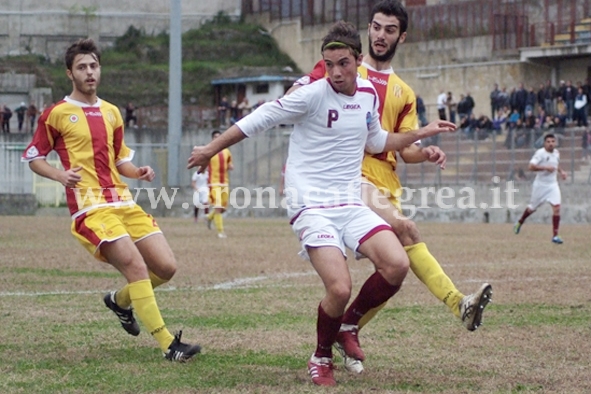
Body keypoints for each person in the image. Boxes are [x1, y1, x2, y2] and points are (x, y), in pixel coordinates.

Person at [187, 21, 456, 386]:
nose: (335, 72)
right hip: (310, 204)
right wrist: (209, 149)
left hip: (348, 200)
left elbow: (377, 141)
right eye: (328, 64)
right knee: (339, 287)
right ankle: (321, 356)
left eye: (343, 63)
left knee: (396, 264)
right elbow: (260, 118)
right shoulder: (312, 94)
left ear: (358, 61)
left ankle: (348, 324)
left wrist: (421, 134)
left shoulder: (367, 95)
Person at [287, 0, 492, 375]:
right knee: (406, 230)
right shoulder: (344, 66)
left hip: (385, 184)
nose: (381, 35)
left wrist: (424, 151)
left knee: (393, 265)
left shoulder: (403, 92)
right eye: (376, 28)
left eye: (390, 30)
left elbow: (403, 147)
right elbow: (303, 93)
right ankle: (457, 303)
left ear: (402, 36)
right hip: (351, 180)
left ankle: (345, 328)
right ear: (368, 31)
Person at [21, 38, 200, 362]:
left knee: (166, 267)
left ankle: (119, 301)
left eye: (93, 65)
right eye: (82, 67)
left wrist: (138, 171)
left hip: (123, 203)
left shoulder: (112, 112)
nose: (89, 72)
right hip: (90, 208)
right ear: (69, 74)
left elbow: (119, 160)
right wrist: (60, 175)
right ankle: (169, 345)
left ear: (99, 69)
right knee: (134, 265)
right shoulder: (56, 114)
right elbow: (34, 156)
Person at [513, 133, 567, 244]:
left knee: (556, 208)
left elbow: (556, 164)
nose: (551, 144)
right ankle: (520, 222)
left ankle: (555, 235)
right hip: (540, 185)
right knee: (532, 208)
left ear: (555, 143)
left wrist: (562, 172)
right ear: (544, 143)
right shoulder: (540, 153)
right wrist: (545, 168)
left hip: (553, 185)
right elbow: (531, 166)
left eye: (553, 141)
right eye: (548, 142)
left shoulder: (557, 153)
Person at [206, 130, 233, 238]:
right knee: (218, 206)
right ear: (212, 139)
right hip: (214, 182)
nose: (217, 139)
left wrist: (230, 166)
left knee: (222, 208)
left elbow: (230, 164)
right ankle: (221, 232)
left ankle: (209, 218)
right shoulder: (209, 151)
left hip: (224, 182)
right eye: (215, 137)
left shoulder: (226, 151)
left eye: (219, 137)